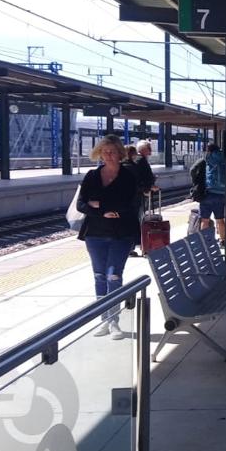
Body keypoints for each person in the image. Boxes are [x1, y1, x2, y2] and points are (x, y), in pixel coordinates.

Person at [77, 135, 141, 339]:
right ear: (99, 153)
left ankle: (114, 321)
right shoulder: (91, 177)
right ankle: (104, 320)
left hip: (121, 234)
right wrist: (104, 209)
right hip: (95, 234)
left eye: (112, 151)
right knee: (99, 277)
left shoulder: (128, 177)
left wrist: (99, 205)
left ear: (120, 153)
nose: (108, 155)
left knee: (113, 276)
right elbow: (81, 204)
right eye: (105, 151)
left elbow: (130, 205)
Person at [198, 142, 226, 246]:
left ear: (208, 150)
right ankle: (223, 240)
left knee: (204, 220)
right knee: (220, 220)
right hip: (221, 193)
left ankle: (204, 242)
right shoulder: (224, 158)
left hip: (208, 193)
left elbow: (193, 170)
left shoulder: (207, 158)